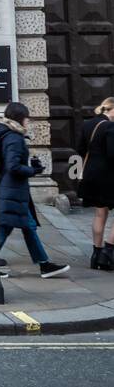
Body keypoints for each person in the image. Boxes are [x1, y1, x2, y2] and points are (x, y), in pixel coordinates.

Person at [0, 102, 69, 278]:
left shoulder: (7, 135)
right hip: (13, 190)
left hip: (13, 190)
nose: (28, 121)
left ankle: (44, 264)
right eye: (27, 118)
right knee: (7, 227)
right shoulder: (14, 138)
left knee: (28, 227)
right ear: (20, 118)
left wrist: (31, 166)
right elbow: (13, 166)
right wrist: (33, 170)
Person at [79, 95, 114, 271]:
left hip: (91, 175)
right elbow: (112, 154)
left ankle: (96, 254)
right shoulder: (110, 127)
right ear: (112, 109)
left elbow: (80, 149)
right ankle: (108, 252)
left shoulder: (87, 125)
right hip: (109, 176)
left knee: (100, 214)